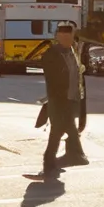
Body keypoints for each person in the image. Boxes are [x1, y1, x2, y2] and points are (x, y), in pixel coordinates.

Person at [28, 22, 88, 181]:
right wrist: (58, 100)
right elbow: (52, 81)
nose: (69, 39)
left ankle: (71, 157)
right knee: (57, 133)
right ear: (59, 37)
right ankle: (54, 164)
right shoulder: (52, 54)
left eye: (70, 36)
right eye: (65, 36)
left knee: (62, 131)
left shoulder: (73, 52)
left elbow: (78, 77)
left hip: (72, 100)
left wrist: (80, 101)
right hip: (59, 102)